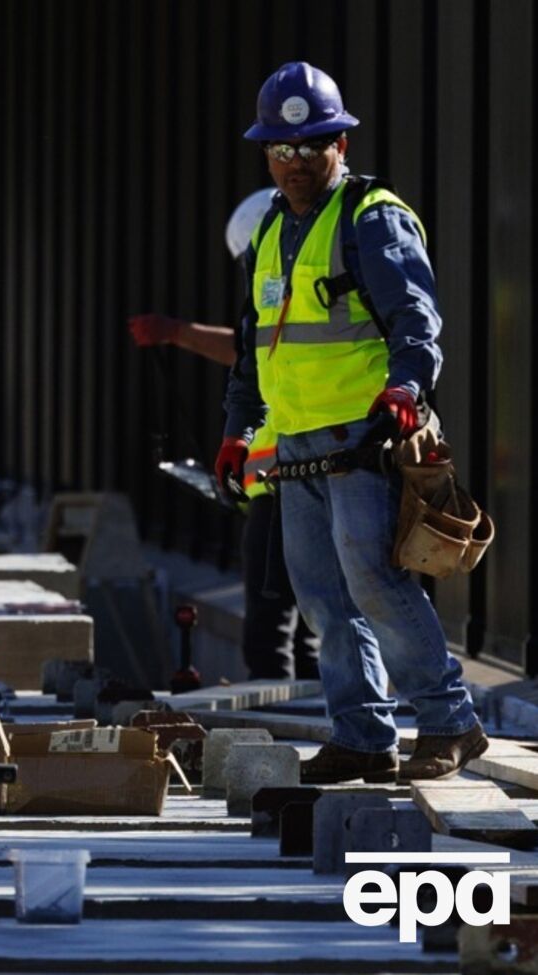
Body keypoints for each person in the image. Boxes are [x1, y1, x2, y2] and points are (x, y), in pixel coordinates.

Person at [218, 61, 486, 783]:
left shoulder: (372, 217)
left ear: (340, 145)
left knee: (374, 581)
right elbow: (254, 344)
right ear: (266, 153)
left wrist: (406, 384)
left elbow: (416, 318)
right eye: (281, 150)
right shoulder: (274, 227)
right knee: (321, 598)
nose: (295, 163)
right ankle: (363, 733)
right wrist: (239, 428)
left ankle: (449, 721)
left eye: (310, 148)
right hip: (299, 443)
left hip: (363, 440)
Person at [129, 189, 319, 681]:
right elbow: (250, 354)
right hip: (309, 473)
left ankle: (287, 715)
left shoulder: (290, 288)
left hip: (286, 478)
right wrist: (175, 332)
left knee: (274, 618)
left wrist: (175, 332)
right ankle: (322, 711)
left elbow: (249, 354)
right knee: (317, 617)